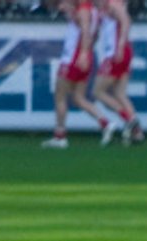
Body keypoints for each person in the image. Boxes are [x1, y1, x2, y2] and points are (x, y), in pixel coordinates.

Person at [44, 0, 118, 149]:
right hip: (86, 55)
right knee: (78, 98)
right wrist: (87, 51)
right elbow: (93, 34)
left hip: (73, 57)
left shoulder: (83, 10)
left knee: (60, 95)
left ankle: (60, 136)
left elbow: (84, 30)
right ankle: (106, 123)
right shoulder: (94, 12)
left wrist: (83, 52)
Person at [91, 0, 143, 145]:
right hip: (120, 52)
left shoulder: (113, 4)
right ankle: (137, 133)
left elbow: (126, 21)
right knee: (120, 93)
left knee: (98, 91)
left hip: (116, 53)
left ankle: (129, 119)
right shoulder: (101, 8)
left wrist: (120, 45)